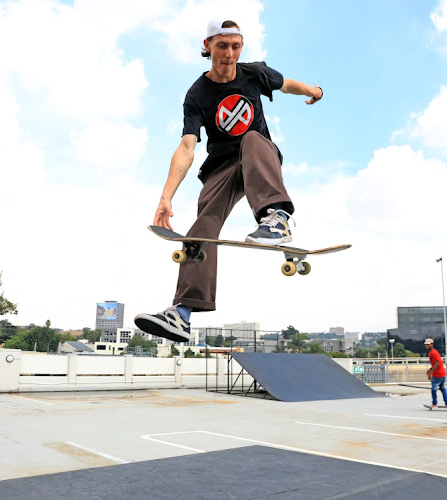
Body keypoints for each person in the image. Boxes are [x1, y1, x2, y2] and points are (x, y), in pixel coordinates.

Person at [135, 19, 323, 342]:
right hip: (221, 167)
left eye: (236, 46)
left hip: (258, 159)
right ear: (207, 46)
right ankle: (182, 314)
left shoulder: (254, 74)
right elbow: (186, 146)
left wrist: (315, 91)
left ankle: (277, 217)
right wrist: (166, 196)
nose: (230, 54)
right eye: (222, 46)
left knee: (251, 137)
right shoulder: (197, 95)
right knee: (202, 227)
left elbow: (286, 84)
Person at [425, 338, 447, 409]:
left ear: (432, 344)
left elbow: (437, 363)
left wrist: (430, 373)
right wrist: (430, 370)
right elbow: (437, 363)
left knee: (433, 389)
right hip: (442, 373)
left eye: (428, 344)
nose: (427, 346)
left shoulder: (432, 353)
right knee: (443, 388)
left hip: (437, 375)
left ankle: (434, 403)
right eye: (426, 344)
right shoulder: (435, 352)